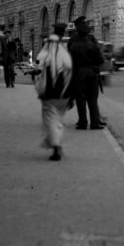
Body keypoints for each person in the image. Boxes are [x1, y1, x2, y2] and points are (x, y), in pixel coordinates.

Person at [34, 24, 73, 161]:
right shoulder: (64, 54)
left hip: (49, 95)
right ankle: (55, 144)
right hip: (63, 94)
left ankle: (56, 146)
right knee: (58, 121)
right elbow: (69, 72)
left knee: (50, 120)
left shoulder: (44, 54)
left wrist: (38, 88)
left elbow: (37, 71)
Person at [67, 16, 105, 130]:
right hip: (92, 73)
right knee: (93, 99)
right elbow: (100, 60)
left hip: (79, 73)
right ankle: (94, 123)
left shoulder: (73, 45)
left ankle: (83, 123)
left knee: (81, 99)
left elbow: (70, 61)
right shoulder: (92, 44)